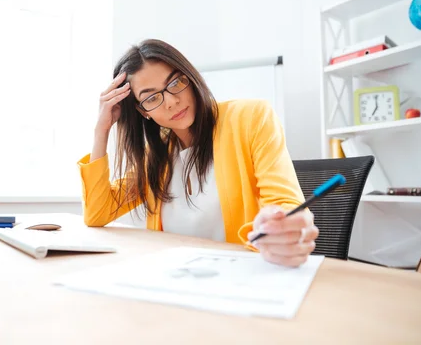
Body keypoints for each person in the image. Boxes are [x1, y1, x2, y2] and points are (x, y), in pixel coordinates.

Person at [77, 39, 318, 267]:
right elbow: (97, 213)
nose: (170, 101)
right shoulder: (156, 154)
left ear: (190, 78)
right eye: (151, 97)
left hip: (242, 274)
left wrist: (281, 223)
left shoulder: (252, 118)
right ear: (143, 112)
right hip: (176, 276)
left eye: (174, 83)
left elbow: (285, 205)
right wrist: (102, 130)